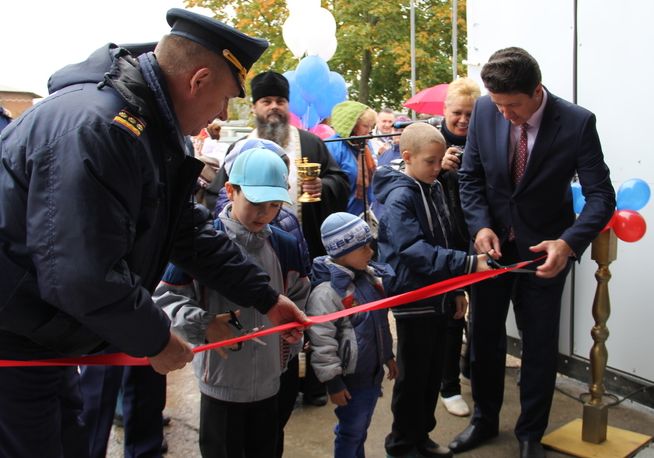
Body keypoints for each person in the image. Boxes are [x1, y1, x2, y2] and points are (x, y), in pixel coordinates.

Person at [0, 9, 307, 458]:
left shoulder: (151, 130)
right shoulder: (101, 129)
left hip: (44, 332)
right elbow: (81, 274)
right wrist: (155, 339)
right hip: (16, 341)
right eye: (224, 99)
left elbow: (188, 233)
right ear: (197, 80)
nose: (222, 114)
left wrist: (266, 297)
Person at [451, 47, 615, 458]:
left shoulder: (576, 123)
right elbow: (470, 179)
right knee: (485, 339)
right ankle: (484, 421)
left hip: (546, 255)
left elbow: (601, 197)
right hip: (491, 253)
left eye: (514, 106)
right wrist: (480, 226)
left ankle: (530, 434)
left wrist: (568, 242)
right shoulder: (486, 111)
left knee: (539, 346)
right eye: (499, 105)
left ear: (536, 91)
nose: (505, 114)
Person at [155, 147, 311, 458]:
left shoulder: (286, 245)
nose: (264, 214)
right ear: (230, 190)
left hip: (271, 382)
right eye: (254, 203)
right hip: (220, 385)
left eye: (274, 205)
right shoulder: (201, 244)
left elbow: (299, 295)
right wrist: (204, 324)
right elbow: (164, 298)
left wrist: (293, 335)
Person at [373, 123, 491, 458]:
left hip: (438, 294)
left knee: (430, 375)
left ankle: (421, 436)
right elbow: (413, 250)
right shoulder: (400, 197)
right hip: (415, 300)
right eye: (430, 161)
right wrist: (468, 264)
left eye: (441, 160)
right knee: (413, 379)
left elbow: (444, 238)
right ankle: (401, 443)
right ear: (407, 157)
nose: (438, 168)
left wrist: (455, 289)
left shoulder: (431, 186)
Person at [307, 212, 398, 458]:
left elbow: (379, 324)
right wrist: (333, 383)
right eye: (364, 247)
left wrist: (388, 355)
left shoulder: (367, 279)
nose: (371, 252)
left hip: (371, 374)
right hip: (350, 380)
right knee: (351, 431)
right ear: (343, 252)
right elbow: (322, 343)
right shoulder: (327, 294)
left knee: (360, 428)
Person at [436, 77, 481, 418]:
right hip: (446, 245)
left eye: (470, 113)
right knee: (452, 314)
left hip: (480, 239)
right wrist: (438, 168)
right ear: (445, 111)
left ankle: (470, 368)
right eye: (457, 113)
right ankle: (448, 385)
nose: (463, 120)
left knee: (482, 314)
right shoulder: (432, 142)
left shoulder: (485, 141)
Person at [326, 101, 378, 216]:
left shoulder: (366, 145)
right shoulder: (333, 146)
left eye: (371, 126)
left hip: (365, 213)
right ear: (352, 126)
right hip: (342, 215)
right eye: (365, 126)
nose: (369, 131)